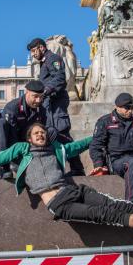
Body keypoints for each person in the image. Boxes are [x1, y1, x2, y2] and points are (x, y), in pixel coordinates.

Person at [0, 123, 133, 228]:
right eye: (36, 133)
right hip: (58, 203)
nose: (41, 134)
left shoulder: (56, 149)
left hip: (72, 190)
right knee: (106, 215)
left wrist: (100, 136)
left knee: (118, 204)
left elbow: (78, 145)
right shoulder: (22, 150)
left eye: (43, 132)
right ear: (29, 138)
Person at [27, 37, 85, 176]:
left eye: (34, 51)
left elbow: (59, 78)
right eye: (31, 52)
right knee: (54, 134)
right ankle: (65, 168)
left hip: (56, 103)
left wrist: (45, 92)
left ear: (41, 47)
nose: (33, 54)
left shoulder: (53, 59)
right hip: (49, 104)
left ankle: (77, 168)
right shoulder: (44, 63)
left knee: (62, 133)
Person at [0, 80, 56, 179]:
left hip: (29, 143)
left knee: (51, 131)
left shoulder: (41, 109)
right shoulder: (12, 107)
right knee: (0, 123)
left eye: (41, 97)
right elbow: (11, 135)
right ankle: (4, 166)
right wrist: (17, 157)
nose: (38, 100)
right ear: (27, 93)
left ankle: (43, 160)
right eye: (35, 96)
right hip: (11, 144)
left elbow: (45, 129)